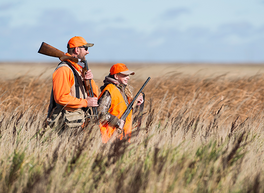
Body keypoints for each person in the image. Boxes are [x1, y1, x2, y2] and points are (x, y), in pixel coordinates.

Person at [46, 36, 98, 133]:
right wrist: (86, 103)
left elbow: (94, 96)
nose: (88, 52)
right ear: (77, 50)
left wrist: (89, 80)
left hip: (78, 122)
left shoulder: (78, 69)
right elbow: (61, 98)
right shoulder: (64, 70)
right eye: (86, 49)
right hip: (66, 125)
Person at [98, 63, 144, 143]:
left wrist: (136, 103)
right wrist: (118, 122)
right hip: (109, 138)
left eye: (128, 75)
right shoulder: (110, 90)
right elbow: (100, 114)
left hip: (121, 137)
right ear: (116, 76)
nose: (128, 78)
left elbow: (123, 110)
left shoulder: (122, 90)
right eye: (125, 75)